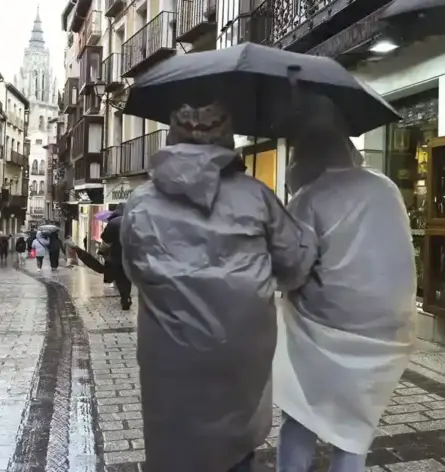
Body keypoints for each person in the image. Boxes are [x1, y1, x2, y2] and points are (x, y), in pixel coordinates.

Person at [119, 102, 317, 472]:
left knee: (173, 442)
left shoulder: (141, 201)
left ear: (172, 138)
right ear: (228, 141)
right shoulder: (256, 196)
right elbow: (294, 265)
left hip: (169, 351)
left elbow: (134, 270)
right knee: (235, 445)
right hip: (240, 350)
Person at [272, 96, 416, 472]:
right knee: (355, 428)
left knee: (301, 413)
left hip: (324, 328)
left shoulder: (309, 199)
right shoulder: (385, 187)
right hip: (389, 329)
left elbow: (293, 270)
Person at [100, 204, 131, 310]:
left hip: (116, 255)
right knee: (128, 278)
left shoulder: (113, 223)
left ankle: (124, 297)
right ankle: (127, 296)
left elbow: (105, 239)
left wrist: (102, 251)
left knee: (119, 277)